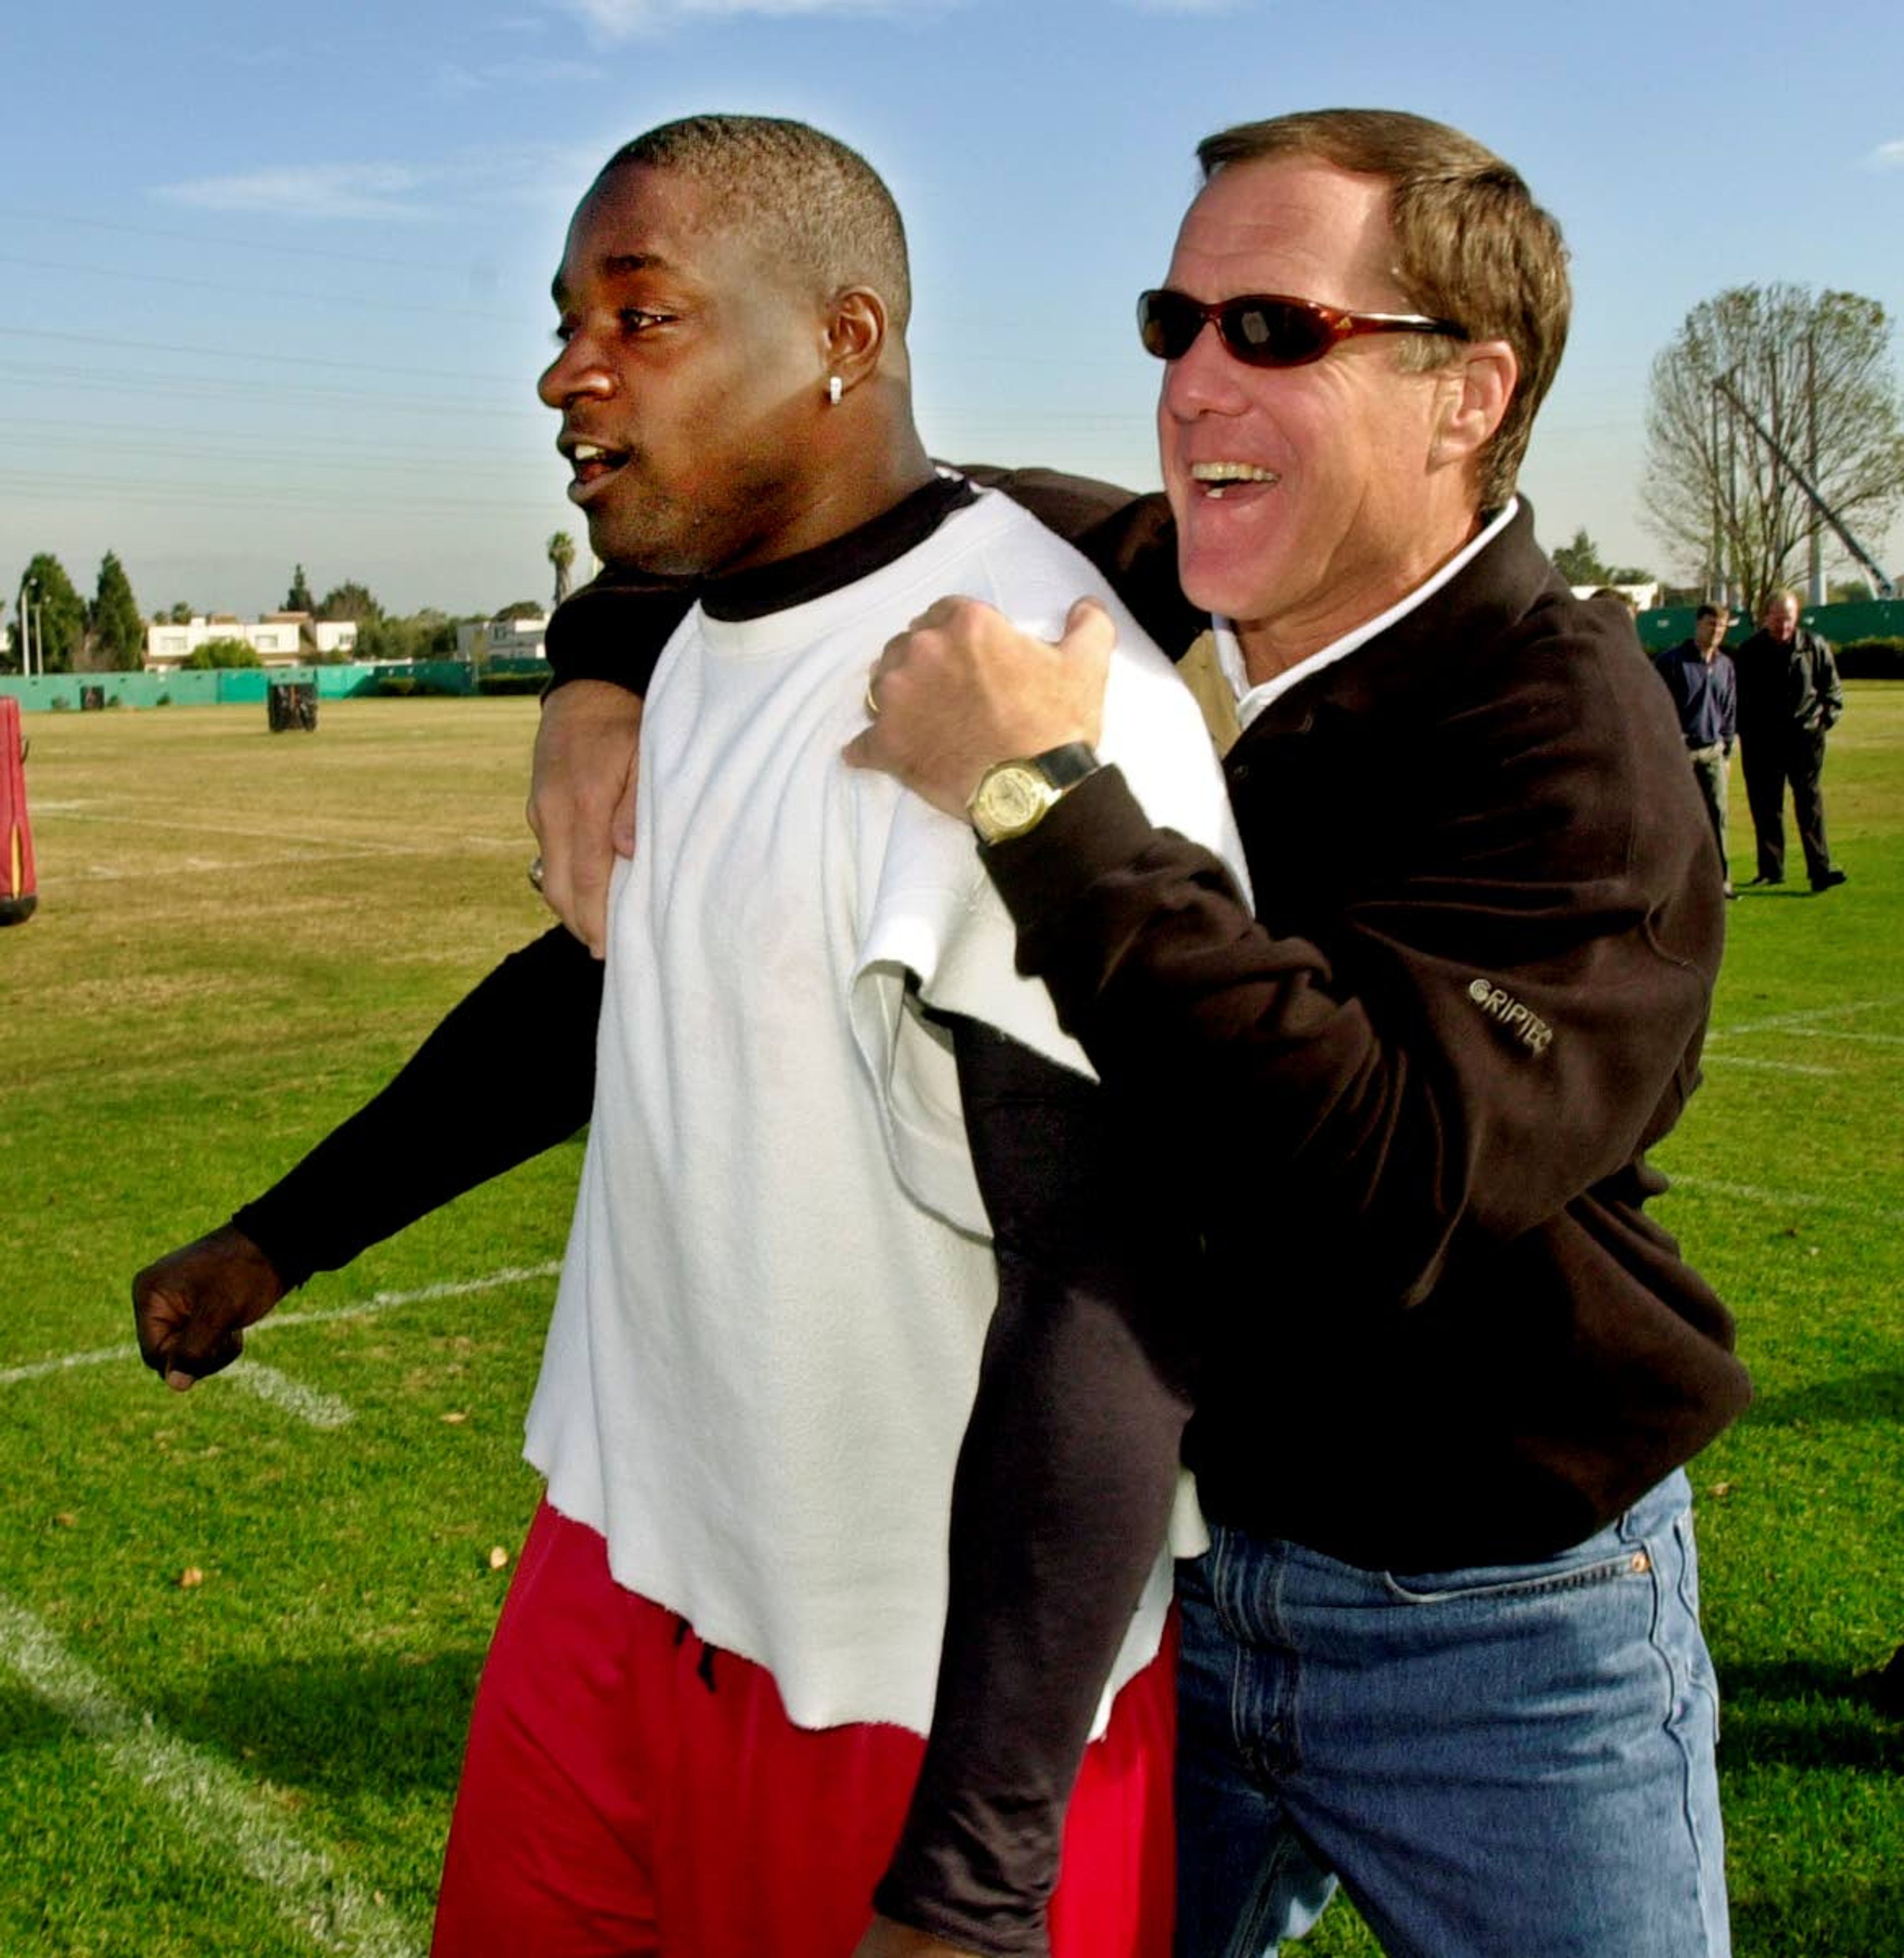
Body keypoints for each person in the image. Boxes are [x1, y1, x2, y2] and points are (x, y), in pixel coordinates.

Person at [132, 115, 1248, 1958]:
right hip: (622, 1560)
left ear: (844, 339)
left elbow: (1111, 1297)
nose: (568, 373)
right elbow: (623, 977)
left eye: (639, 320)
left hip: (897, 1675)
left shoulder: (1030, 695)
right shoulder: (709, 629)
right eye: (568, 320)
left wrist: (975, 1876)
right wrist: (285, 1235)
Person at [841, 109, 1748, 1957]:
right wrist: (603, 678)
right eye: (1172, 322)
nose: (1189, 383)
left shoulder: (1573, 742)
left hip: (1498, 1632)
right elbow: (818, 480)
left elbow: (1377, 1168)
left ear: (1467, 392)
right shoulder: (1161, 583)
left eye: (1272, 332)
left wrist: (1036, 799)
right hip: (1170, 1583)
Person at [1733, 588, 1846, 891]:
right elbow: (1739, 700)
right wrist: (1745, 732)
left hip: (1805, 739)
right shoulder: (1749, 652)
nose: (1784, 627)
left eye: (1790, 620)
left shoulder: (1815, 646)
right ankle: (1771, 869)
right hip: (1762, 742)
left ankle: (1820, 870)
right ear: (1766, 616)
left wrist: (1823, 723)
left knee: (1809, 804)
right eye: (1779, 619)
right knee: (1766, 806)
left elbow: (1833, 692)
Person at [1653, 602, 1739, 897]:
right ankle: (1674, 882)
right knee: (1678, 817)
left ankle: (1722, 881)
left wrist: (1727, 749)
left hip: (1713, 750)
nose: (1716, 631)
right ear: (1698, 625)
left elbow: (1729, 710)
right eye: (1711, 624)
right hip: (1681, 753)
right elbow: (1657, 707)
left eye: (1721, 626)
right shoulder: (1672, 662)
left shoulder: (1726, 665)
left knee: (1718, 815)